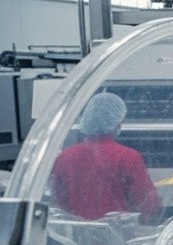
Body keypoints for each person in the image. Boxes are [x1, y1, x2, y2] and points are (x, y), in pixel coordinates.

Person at [52, 91, 163, 224]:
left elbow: (60, 204)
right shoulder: (128, 157)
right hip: (119, 239)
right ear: (116, 124)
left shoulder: (65, 157)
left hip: (77, 239)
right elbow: (147, 203)